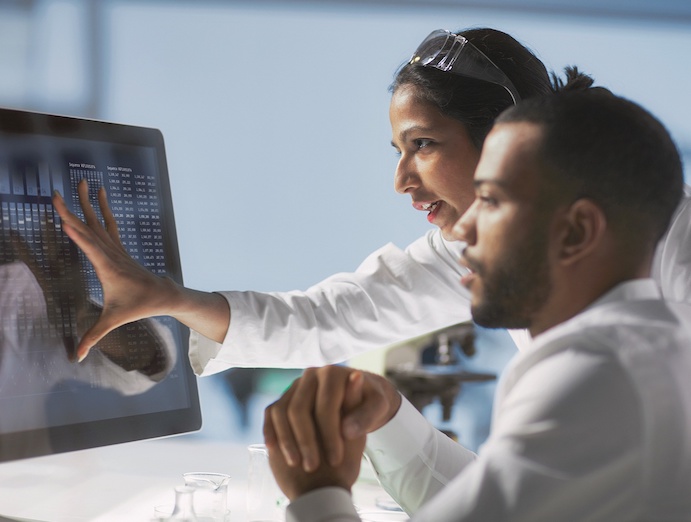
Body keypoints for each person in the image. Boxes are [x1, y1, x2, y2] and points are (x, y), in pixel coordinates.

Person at [52, 26, 689, 374]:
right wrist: (170, 299)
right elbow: (324, 319)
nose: (402, 180)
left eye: (424, 145)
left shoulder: (666, 231)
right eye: (397, 151)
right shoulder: (466, 250)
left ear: (504, 136)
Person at [263, 73, 691, 521]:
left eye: (490, 200)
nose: (463, 231)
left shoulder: (595, 374)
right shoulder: (654, 353)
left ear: (577, 230)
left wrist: (318, 491)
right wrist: (390, 419)